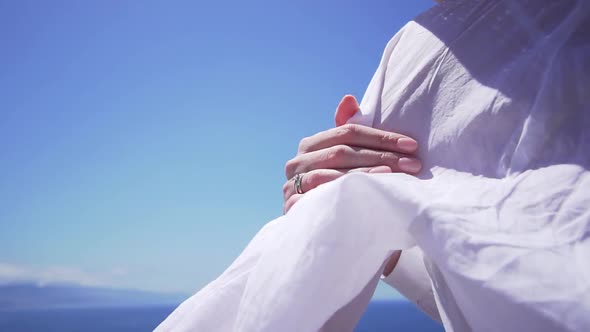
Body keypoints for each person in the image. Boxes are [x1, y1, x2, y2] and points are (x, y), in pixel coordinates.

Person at [157, 1, 590, 331]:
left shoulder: (426, 51)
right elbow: (521, 281)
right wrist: (375, 226)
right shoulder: (423, 49)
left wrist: (342, 217)